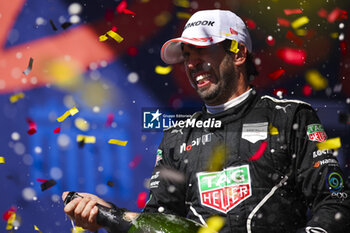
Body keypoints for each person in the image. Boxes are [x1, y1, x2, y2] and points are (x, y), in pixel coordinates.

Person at [62, 9, 350, 233]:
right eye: (187, 55)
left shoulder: (291, 117)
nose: (191, 63)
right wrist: (109, 213)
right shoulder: (178, 136)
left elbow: (336, 204)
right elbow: (158, 222)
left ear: (238, 54)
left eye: (201, 50)